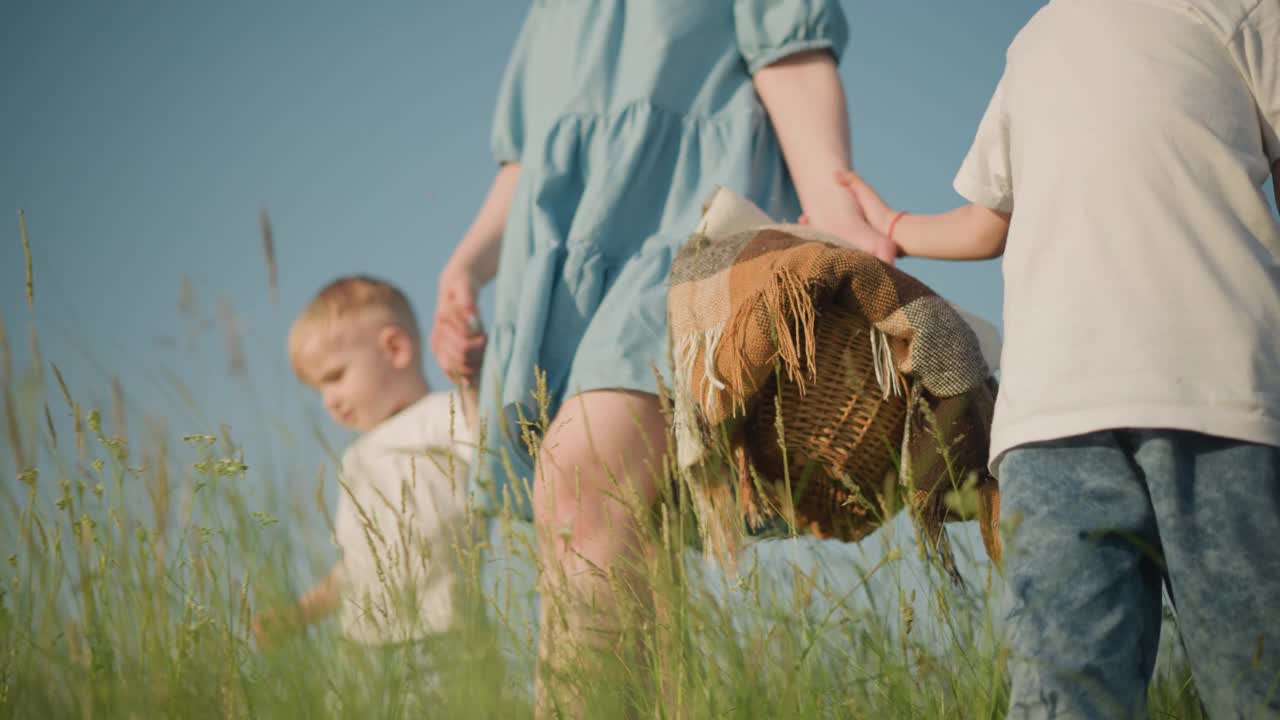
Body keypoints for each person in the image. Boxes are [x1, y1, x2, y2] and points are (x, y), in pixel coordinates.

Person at [428, 1, 887, 713]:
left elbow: (791, 63)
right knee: (629, 538)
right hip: (576, 268)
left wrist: (841, 217)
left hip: (694, 232)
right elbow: (527, 160)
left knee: (584, 476)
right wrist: (462, 268)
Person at [830, 0, 1280, 716]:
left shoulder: (1244, 10)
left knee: (1255, 672)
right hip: (1051, 422)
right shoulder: (1033, 43)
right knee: (1064, 688)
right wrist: (891, 228)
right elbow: (989, 219)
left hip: (1221, 399)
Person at [254, 276, 495, 712]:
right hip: (361, 646)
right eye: (319, 389)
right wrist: (301, 613)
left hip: (441, 632)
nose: (329, 400)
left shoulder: (442, 414)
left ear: (395, 349)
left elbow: (488, 443)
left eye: (336, 376)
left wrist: (473, 378)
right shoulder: (356, 458)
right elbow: (357, 563)